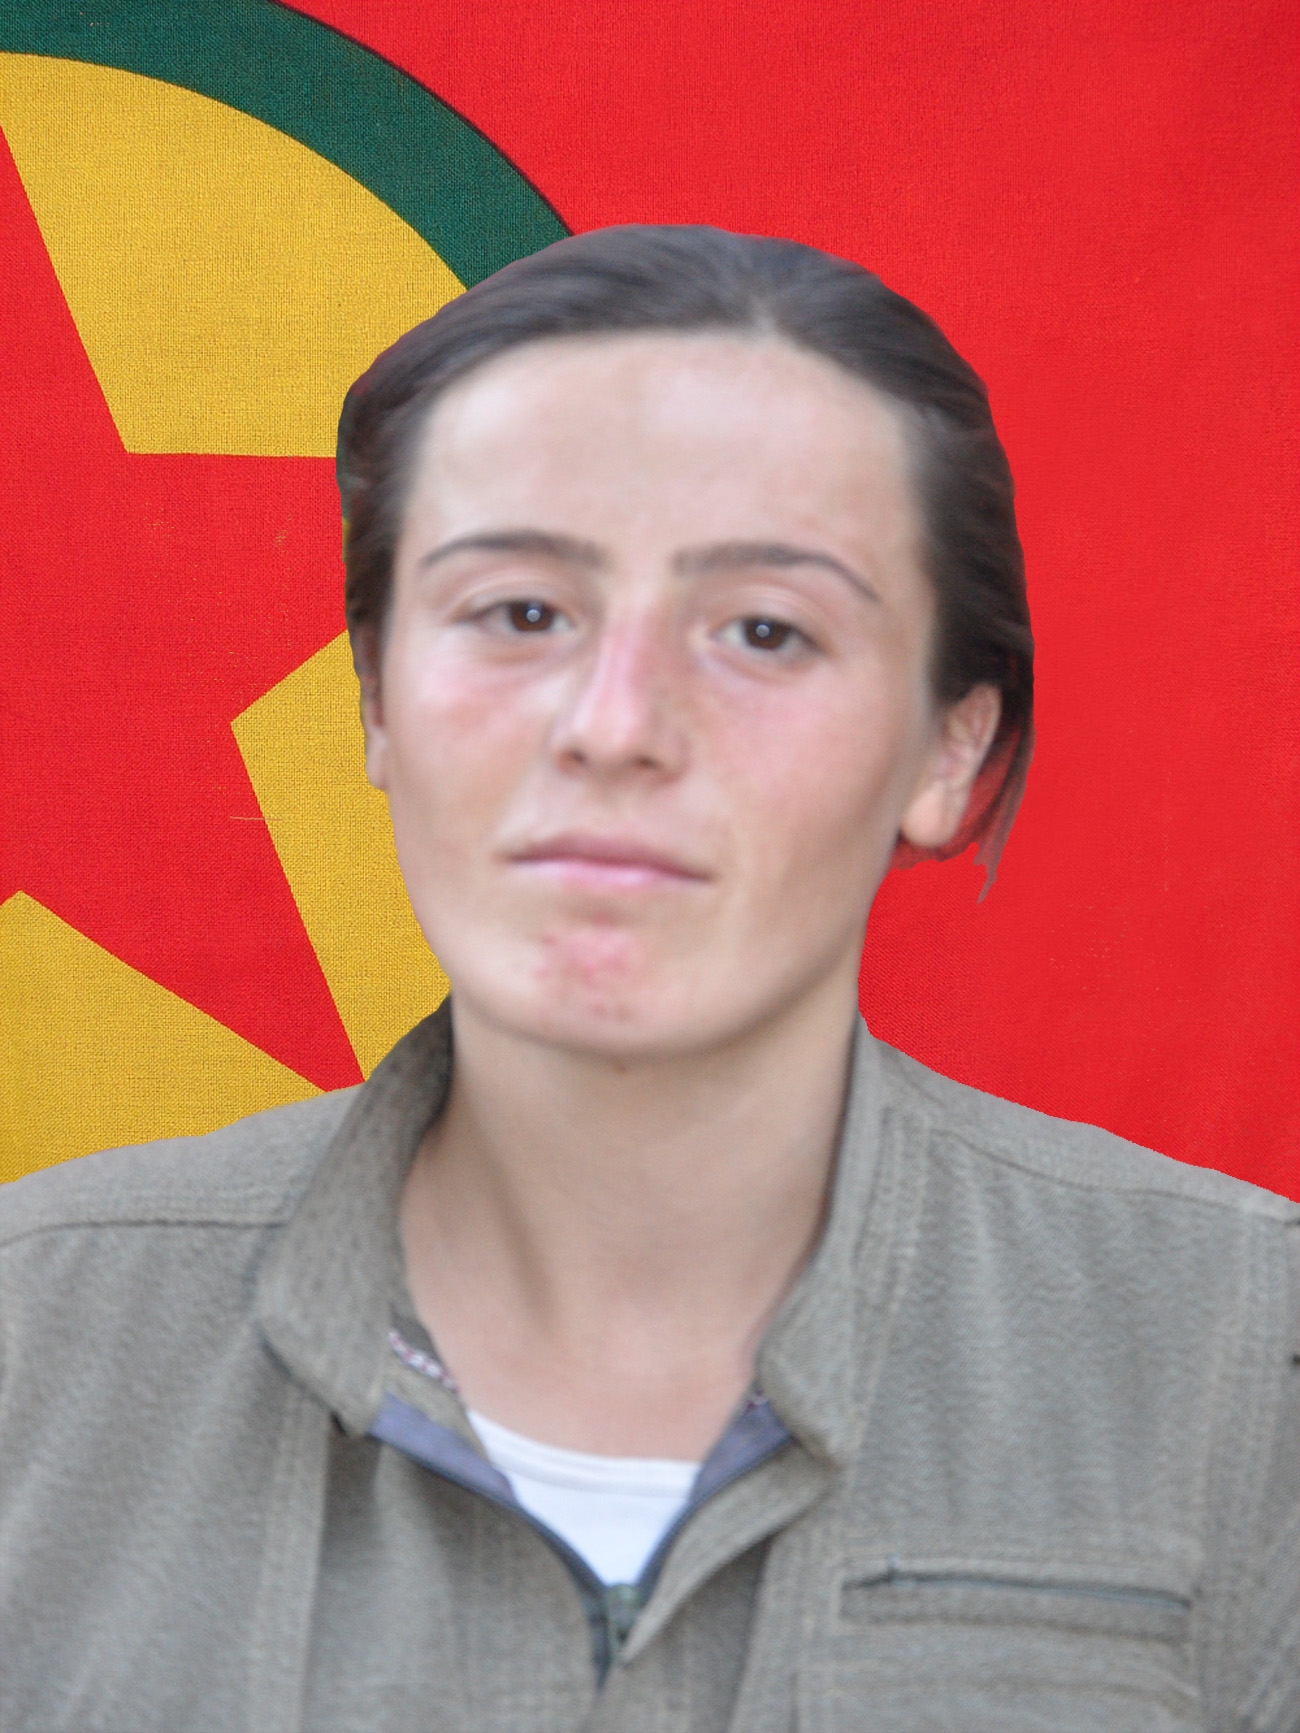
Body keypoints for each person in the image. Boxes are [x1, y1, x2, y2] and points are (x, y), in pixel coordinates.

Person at [0, 225, 1295, 1733]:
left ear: (949, 747)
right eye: (521, 612)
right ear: (375, 700)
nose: (613, 725)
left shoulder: (1246, 1357)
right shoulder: (34, 1340)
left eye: (766, 631)